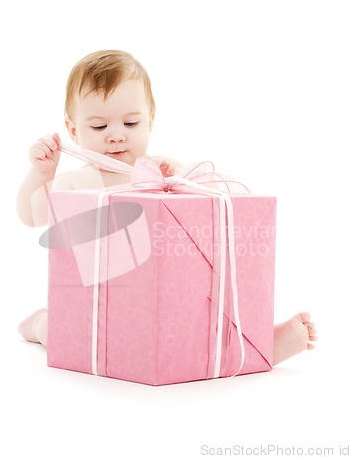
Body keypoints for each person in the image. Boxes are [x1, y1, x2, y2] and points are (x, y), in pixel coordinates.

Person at [17, 49, 317, 366]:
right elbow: (31, 215)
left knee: (200, 303)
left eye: (131, 123)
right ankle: (41, 323)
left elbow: (201, 216)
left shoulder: (158, 172)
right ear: (74, 130)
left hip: (163, 297)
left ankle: (252, 341)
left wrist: (181, 178)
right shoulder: (78, 182)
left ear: (150, 121)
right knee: (72, 337)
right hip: (100, 306)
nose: (117, 135)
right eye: (99, 127)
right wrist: (43, 172)